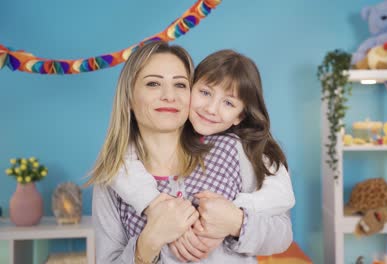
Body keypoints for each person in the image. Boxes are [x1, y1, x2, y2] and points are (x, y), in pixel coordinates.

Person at [90, 41, 292, 264]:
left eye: (180, 85)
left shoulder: (231, 150)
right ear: (128, 97)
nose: (169, 96)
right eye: (153, 84)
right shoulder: (112, 179)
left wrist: (237, 222)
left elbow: (282, 233)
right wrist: (149, 241)